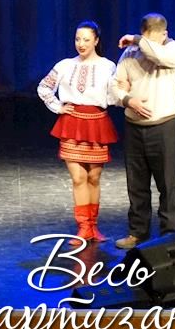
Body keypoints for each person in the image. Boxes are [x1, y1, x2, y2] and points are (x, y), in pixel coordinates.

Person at [37, 21, 119, 246]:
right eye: (77, 39)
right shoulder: (65, 65)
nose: (81, 44)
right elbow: (44, 87)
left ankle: (93, 226)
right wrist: (57, 106)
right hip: (72, 123)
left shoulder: (108, 66)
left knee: (94, 177)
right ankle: (83, 227)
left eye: (86, 39)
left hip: (96, 124)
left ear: (96, 41)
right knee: (78, 178)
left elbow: (115, 94)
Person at [110, 13, 175, 249]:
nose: (146, 46)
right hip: (134, 128)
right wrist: (128, 99)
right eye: (145, 39)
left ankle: (169, 236)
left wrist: (137, 39)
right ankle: (137, 232)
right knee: (136, 184)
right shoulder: (130, 53)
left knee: (167, 184)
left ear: (164, 34)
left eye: (151, 41)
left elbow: (157, 55)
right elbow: (114, 86)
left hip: (164, 127)